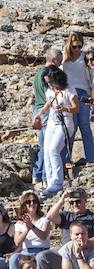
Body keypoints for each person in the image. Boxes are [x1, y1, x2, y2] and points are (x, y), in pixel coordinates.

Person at [38, 66, 79, 198]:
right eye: (47, 82)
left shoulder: (69, 90)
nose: (49, 84)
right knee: (46, 151)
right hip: (51, 123)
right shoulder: (50, 90)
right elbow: (48, 103)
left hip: (65, 123)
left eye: (51, 81)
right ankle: (50, 183)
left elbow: (76, 108)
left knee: (53, 150)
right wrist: (41, 114)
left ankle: (57, 182)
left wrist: (65, 108)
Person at [63, 33, 94, 168]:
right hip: (68, 93)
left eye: (80, 46)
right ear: (70, 45)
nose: (77, 49)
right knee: (71, 128)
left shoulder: (85, 57)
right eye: (75, 46)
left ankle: (91, 159)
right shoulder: (64, 59)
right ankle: (67, 160)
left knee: (85, 127)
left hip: (83, 94)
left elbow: (91, 76)